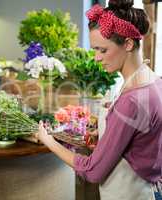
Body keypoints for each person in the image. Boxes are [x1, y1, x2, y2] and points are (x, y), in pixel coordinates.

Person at [36, 0, 162, 199]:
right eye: (94, 49)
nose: (96, 57)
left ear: (128, 44)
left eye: (102, 50)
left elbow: (92, 171)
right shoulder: (153, 82)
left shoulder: (131, 99)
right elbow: (141, 140)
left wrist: (48, 140)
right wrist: (106, 131)